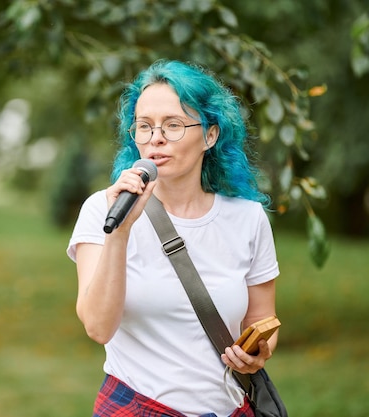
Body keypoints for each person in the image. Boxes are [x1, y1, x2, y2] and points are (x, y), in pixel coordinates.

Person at [66, 59, 280, 417]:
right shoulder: (103, 209)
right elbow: (98, 327)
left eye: (174, 125)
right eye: (145, 126)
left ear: (210, 135)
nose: (156, 138)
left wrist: (258, 353)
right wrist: (120, 233)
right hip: (136, 407)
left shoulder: (247, 218)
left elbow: (263, 320)